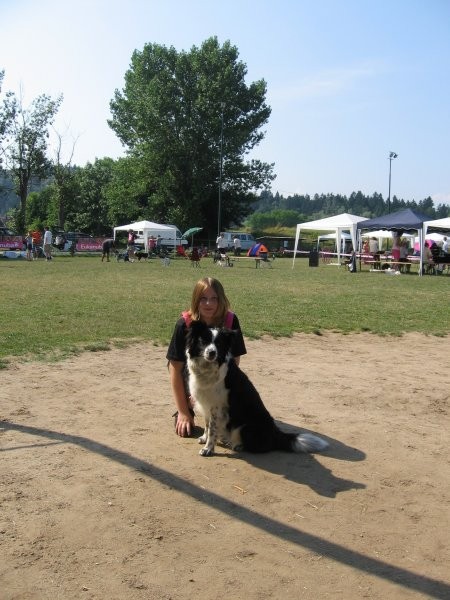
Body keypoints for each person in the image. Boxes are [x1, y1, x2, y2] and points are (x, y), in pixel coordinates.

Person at [166, 277, 247, 438]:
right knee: (185, 431)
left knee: (229, 434)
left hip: (219, 384)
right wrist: (183, 411)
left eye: (213, 299)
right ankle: (189, 408)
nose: (208, 304)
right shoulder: (185, 324)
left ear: (221, 300)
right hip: (192, 383)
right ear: (196, 300)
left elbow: (234, 362)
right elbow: (174, 368)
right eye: (203, 298)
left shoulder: (230, 321)